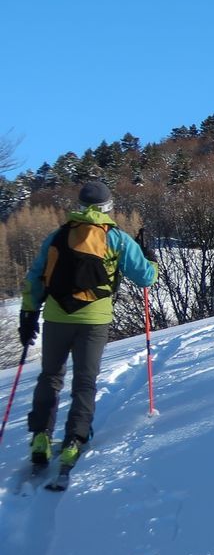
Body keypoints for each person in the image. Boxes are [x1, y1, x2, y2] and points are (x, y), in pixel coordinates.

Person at [17, 181, 157, 471]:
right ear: (108, 207)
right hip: (94, 319)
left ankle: (41, 437)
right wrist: (150, 259)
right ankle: (74, 440)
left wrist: (29, 313)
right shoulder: (116, 238)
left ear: (79, 206)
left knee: (50, 376)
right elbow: (145, 278)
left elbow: (35, 277)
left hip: (56, 315)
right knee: (84, 381)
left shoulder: (58, 235)